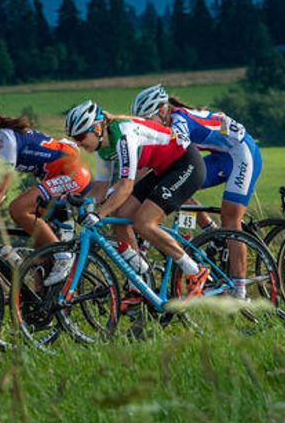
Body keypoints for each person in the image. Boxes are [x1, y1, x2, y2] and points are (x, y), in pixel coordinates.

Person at [63, 100, 211, 296]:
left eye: (81, 136)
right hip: (163, 170)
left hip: (185, 163)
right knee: (120, 219)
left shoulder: (123, 135)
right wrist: (77, 204)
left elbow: (126, 186)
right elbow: (100, 189)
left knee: (144, 222)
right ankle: (140, 279)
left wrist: (99, 214)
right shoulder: (103, 148)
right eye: (74, 138)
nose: (79, 142)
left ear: (98, 127)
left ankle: (194, 270)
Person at [131, 84, 262, 297]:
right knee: (178, 183)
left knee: (230, 220)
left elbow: (176, 147)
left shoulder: (179, 120)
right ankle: (210, 230)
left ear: (162, 111)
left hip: (242, 154)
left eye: (147, 119)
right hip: (221, 156)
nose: (145, 126)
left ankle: (240, 290)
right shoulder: (168, 120)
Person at [0, 98, 91, 285]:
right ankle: (44, 306)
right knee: (39, 258)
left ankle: (63, 255)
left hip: (72, 172)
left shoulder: (6, 139)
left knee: (18, 209)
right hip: (55, 177)